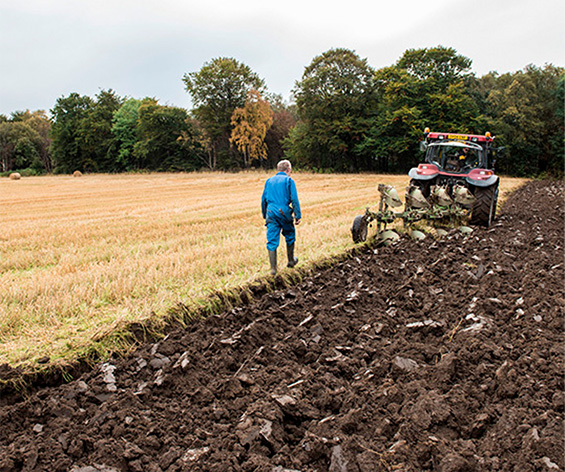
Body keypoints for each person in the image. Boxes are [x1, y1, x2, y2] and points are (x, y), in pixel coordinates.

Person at [261, 160, 302, 275]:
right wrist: (297, 216)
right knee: (289, 234)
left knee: (272, 239)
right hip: (283, 212)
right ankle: (291, 260)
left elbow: (263, 200)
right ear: (288, 170)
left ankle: (273, 269)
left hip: (270, 212)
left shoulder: (269, 181)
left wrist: (265, 215)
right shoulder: (289, 180)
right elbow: (294, 199)